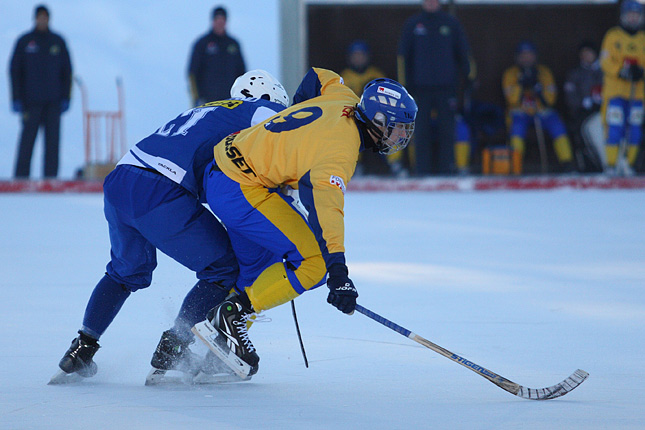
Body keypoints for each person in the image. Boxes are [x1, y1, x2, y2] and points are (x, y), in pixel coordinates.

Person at [52, 70, 289, 382]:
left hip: (122, 178)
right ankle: (174, 346)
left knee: (125, 272)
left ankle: (81, 348)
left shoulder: (206, 109)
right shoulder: (256, 110)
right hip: (160, 188)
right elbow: (280, 128)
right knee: (224, 268)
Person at [196, 68, 417, 378]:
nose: (401, 138)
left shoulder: (344, 97)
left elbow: (318, 75)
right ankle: (230, 315)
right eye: (397, 130)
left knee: (258, 268)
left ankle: (203, 347)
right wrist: (338, 272)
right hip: (239, 185)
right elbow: (327, 210)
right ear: (377, 122)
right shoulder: (340, 150)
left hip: (226, 168)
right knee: (313, 262)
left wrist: (295, 118)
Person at [397, 0, 472, 175]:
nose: (431, 3)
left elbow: (463, 52)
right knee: (420, 131)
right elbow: (403, 57)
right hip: (420, 89)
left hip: (446, 88)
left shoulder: (450, 23)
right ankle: (421, 170)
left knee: (447, 130)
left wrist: (469, 76)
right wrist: (405, 86)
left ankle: (446, 169)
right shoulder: (413, 24)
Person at [9, 5, 72, 178]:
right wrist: (16, 98)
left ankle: (50, 179)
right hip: (31, 103)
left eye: (45, 17)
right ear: (35, 18)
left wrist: (66, 97)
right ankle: (20, 179)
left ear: (49, 19)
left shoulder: (57, 42)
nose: (42, 20)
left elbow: (67, 72)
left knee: (52, 144)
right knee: (27, 142)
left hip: (53, 103)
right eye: (39, 17)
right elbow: (15, 71)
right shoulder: (25, 41)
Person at [502, 40, 574, 174]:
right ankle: (515, 166)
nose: (526, 58)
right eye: (523, 55)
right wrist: (521, 85)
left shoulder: (544, 72)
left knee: (557, 124)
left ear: (535, 56)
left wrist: (538, 90)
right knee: (517, 129)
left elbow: (550, 100)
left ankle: (567, 163)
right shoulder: (510, 73)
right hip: (520, 112)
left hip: (542, 112)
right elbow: (511, 99)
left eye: (529, 54)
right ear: (517, 57)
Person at [599, 0, 645, 175]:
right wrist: (621, 71)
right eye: (630, 15)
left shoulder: (642, 39)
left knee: (634, 130)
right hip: (616, 93)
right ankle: (611, 165)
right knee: (614, 127)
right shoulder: (613, 36)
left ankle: (628, 164)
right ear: (623, 16)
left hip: (637, 95)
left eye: (636, 15)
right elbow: (605, 61)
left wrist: (640, 72)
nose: (633, 19)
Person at [340, 40, 390, 176]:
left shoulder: (376, 75)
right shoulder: (344, 77)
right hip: (352, 117)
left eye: (361, 55)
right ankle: (353, 165)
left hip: (375, 118)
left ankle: (391, 165)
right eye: (355, 55)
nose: (358, 58)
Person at [188, 6, 246, 107]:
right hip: (207, 102)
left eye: (222, 19)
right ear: (213, 20)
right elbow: (193, 73)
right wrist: (197, 98)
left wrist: (242, 97)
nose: (220, 22)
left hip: (230, 102)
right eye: (217, 19)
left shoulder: (233, 44)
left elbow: (242, 73)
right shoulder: (202, 44)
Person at [563, 41, 604, 172]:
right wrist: (584, 104)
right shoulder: (575, 74)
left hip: (607, 112)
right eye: (583, 53)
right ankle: (597, 165)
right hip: (583, 115)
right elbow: (570, 98)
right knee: (590, 131)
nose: (586, 56)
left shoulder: (605, 71)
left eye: (589, 53)